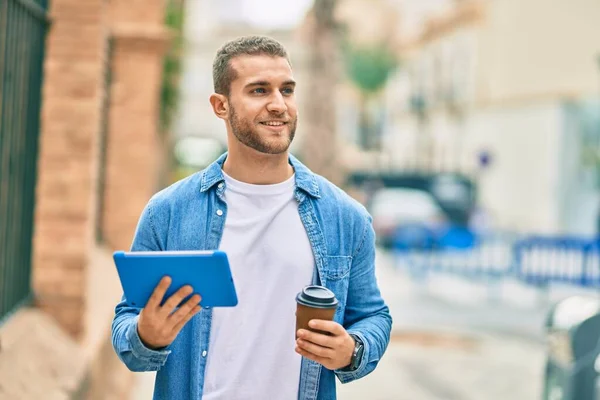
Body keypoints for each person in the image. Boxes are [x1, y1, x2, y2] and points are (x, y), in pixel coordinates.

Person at [111, 35, 392, 400]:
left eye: (287, 90)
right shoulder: (168, 212)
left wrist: (352, 349)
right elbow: (126, 324)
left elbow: (374, 317)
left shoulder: (345, 216)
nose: (279, 105)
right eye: (259, 91)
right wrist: (147, 335)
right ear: (220, 105)